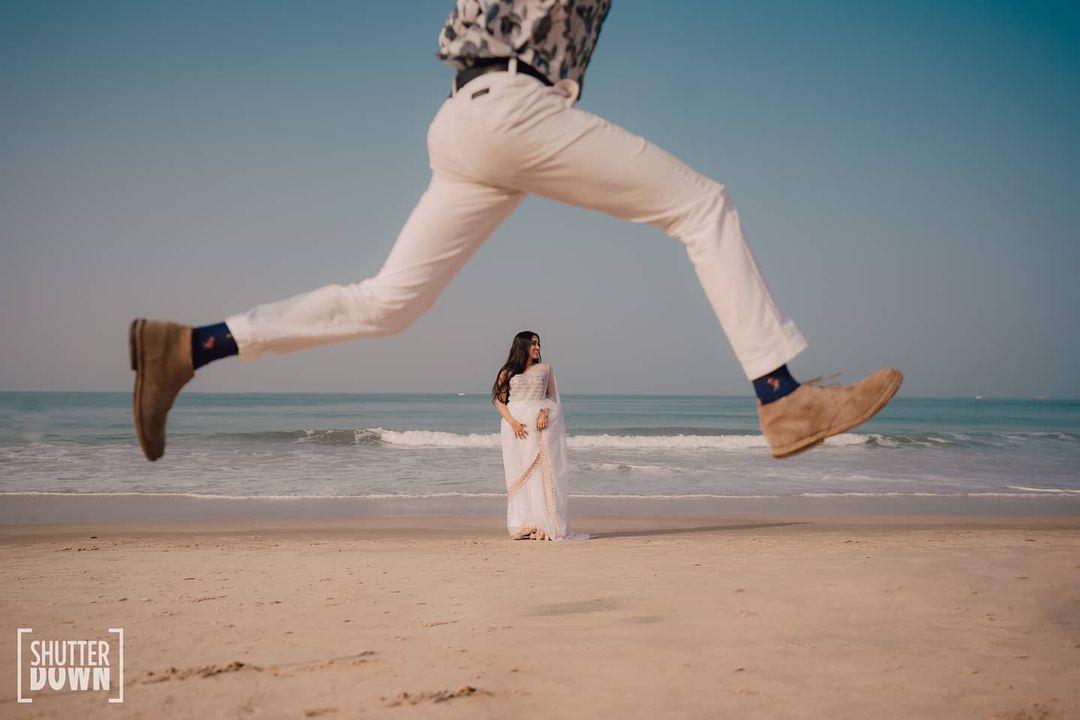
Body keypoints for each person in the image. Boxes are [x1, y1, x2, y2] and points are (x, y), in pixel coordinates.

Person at [129, 1, 902, 463]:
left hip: (469, 118)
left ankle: (188, 347)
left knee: (386, 305)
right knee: (702, 206)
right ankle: (782, 397)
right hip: (512, 110)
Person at [492, 332, 584, 541]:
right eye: (533, 343)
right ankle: (523, 523)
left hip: (539, 428)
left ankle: (543, 524)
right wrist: (513, 422)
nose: (537, 347)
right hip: (515, 430)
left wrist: (545, 411)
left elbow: (552, 398)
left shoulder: (545, 368)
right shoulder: (507, 372)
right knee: (518, 473)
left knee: (541, 474)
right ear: (522, 345)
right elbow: (499, 401)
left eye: (538, 344)